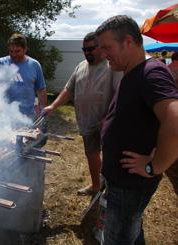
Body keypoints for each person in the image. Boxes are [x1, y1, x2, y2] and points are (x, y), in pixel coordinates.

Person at [95, 15, 178, 244]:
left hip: (129, 186)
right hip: (122, 183)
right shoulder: (132, 72)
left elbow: (176, 123)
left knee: (118, 238)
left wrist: (154, 166)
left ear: (128, 41)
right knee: (132, 232)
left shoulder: (151, 72)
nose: (103, 54)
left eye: (107, 47)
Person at [43, 32, 122, 195]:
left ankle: (112, 190)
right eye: (84, 49)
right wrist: (53, 106)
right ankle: (96, 185)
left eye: (91, 49)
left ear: (100, 47)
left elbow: (120, 94)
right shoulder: (80, 66)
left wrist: (109, 117)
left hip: (108, 124)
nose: (87, 52)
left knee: (111, 158)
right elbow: (68, 89)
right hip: (87, 122)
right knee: (91, 154)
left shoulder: (111, 66)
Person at [0, 33, 47, 120]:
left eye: (17, 51)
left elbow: (41, 89)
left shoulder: (34, 65)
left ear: (25, 49)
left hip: (28, 116)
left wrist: (42, 110)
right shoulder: (0, 63)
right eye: (11, 51)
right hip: (4, 116)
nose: (14, 55)